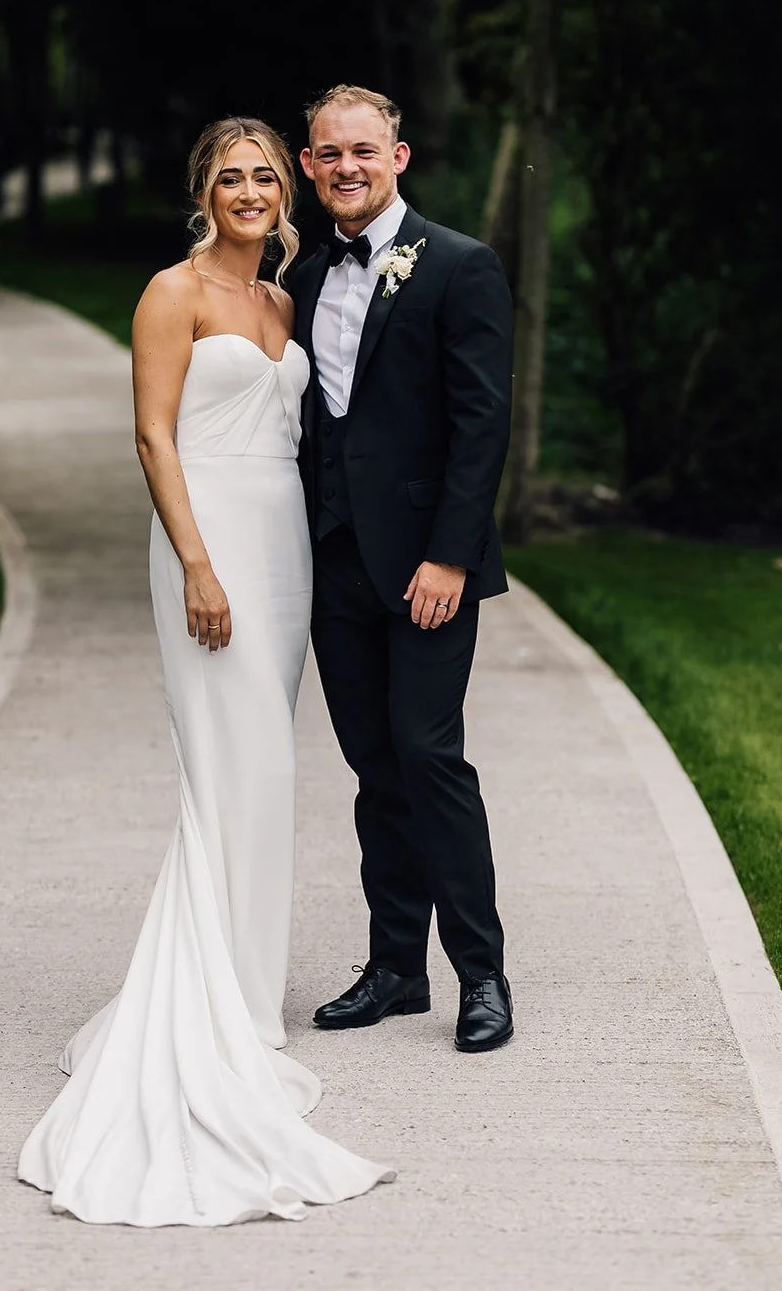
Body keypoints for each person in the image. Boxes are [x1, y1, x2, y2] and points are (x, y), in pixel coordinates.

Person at [17, 116, 393, 1226]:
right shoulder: (168, 293)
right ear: (202, 192)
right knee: (230, 773)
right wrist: (195, 562)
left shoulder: (284, 303)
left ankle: (243, 995)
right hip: (208, 544)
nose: (247, 190)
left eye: (264, 176)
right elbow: (153, 438)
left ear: (288, 193)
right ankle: (214, 1008)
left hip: (280, 555)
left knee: (267, 773)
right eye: (228, 176)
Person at [292, 84, 515, 1053]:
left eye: (363, 151)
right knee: (371, 766)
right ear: (308, 165)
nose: (346, 166)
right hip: (332, 562)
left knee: (428, 758)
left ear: (398, 157)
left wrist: (448, 555)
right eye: (328, 152)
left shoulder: (457, 266)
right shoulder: (294, 279)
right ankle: (393, 968)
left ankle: (481, 974)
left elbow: (480, 424)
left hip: (428, 567)